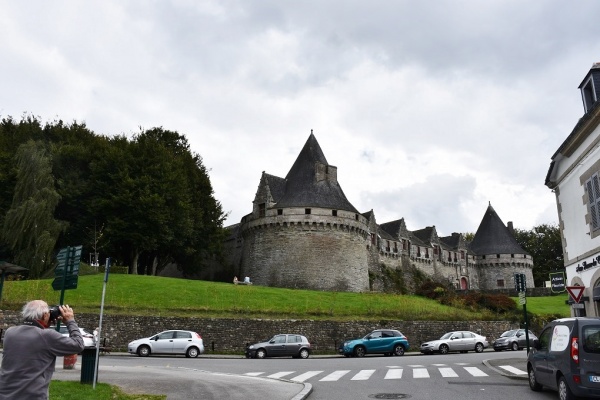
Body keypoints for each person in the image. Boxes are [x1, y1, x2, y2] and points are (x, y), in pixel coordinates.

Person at [0, 301, 84, 400]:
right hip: (32, 396)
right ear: (45, 316)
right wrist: (70, 321)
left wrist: (44, 324)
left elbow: (35, 338)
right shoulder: (47, 336)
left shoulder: (10, 332)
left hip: (5, 394)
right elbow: (78, 345)